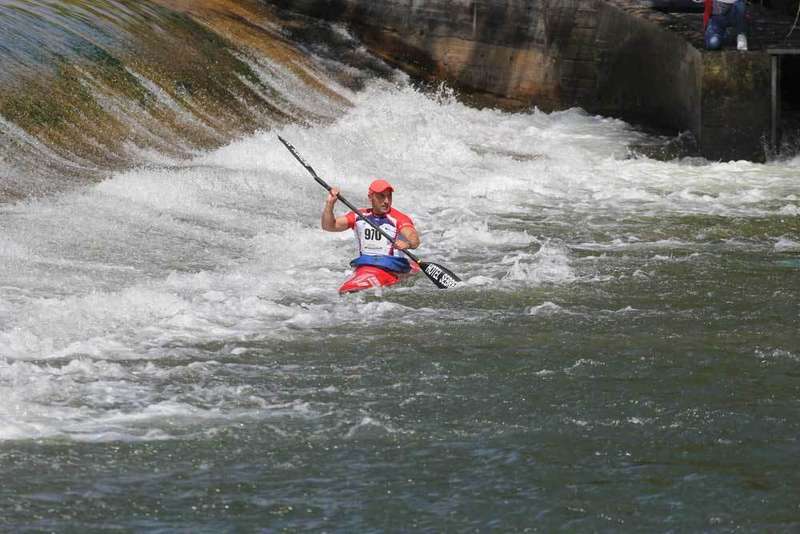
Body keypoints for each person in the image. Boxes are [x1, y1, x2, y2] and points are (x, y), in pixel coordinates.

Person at [321, 178, 420, 282]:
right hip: (365, 266)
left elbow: (414, 239)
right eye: (381, 196)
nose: (386, 201)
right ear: (370, 197)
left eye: (389, 196)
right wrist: (330, 203)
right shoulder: (358, 215)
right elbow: (329, 226)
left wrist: (407, 244)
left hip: (392, 268)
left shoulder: (398, 218)